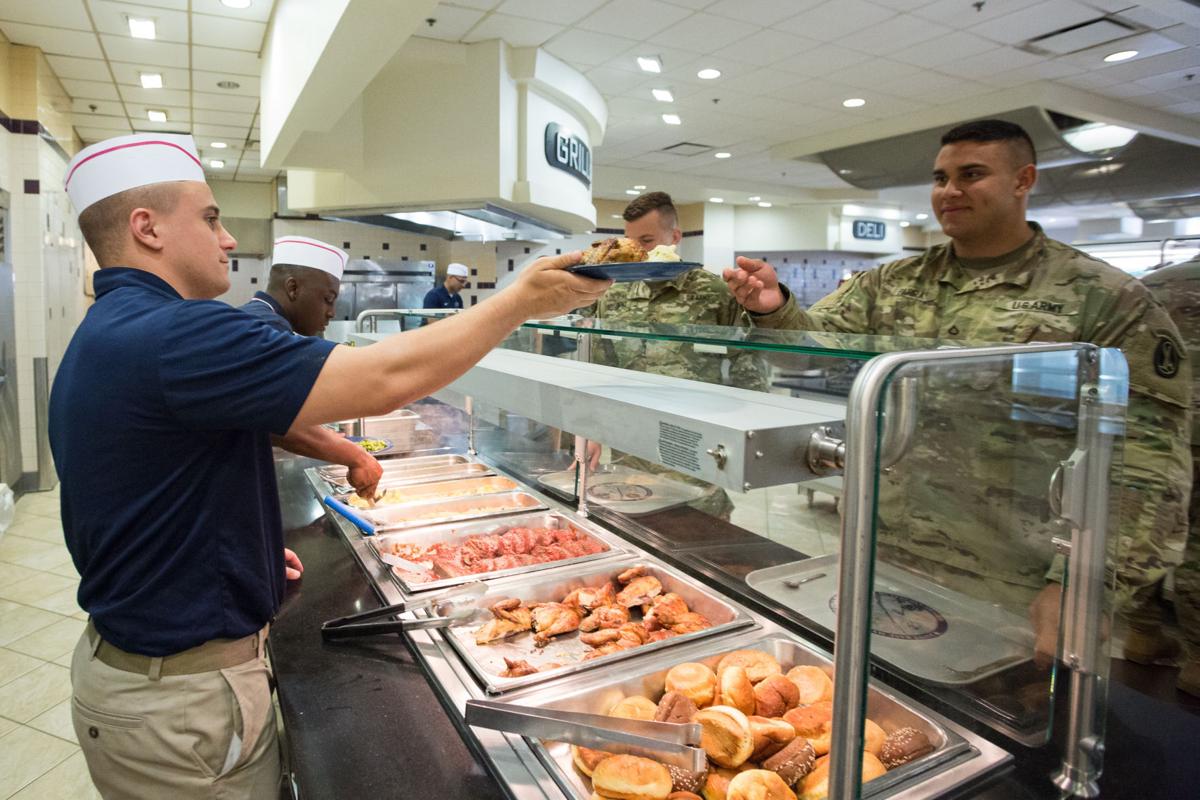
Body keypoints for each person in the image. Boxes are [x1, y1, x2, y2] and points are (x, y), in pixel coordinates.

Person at [50, 133, 609, 799]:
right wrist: (520, 302)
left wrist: (241, 561)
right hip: (181, 705)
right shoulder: (176, 334)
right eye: (210, 218)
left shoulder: (115, 328)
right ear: (147, 229)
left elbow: (166, 477)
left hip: (157, 678)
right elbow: (387, 378)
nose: (228, 239)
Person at [723, 119, 1192, 663]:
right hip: (887, 551)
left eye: (972, 175)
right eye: (941, 177)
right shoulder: (892, 283)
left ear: (1024, 180)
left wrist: (1087, 582)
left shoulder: (1104, 298)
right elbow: (805, 351)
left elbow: (1146, 460)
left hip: (1017, 578)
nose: (950, 191)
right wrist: (773, 310)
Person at [581, 191, 768, 519]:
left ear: (676, 237)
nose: (639, 251)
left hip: (695, 445)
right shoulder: (614, 295)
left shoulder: (715, 293)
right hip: (631, 446)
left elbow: (748, 364)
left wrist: (741, 437)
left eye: (648, 240)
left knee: (696, 529)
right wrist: (592, 430)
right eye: (631, 242)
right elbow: (601, 367)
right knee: (636, 535)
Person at [238, 235, 383, 500]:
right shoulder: (264, 330)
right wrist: (356, 456)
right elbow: (282, 423)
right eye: (328, 299)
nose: (332, 312)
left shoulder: (256, 319)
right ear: (293, 288)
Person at [1142, 254, 1200, 695]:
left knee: (1149, 527)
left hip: (1158, 431)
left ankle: (1142, 632)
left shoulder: (1155, 285)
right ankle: (1197, 659)